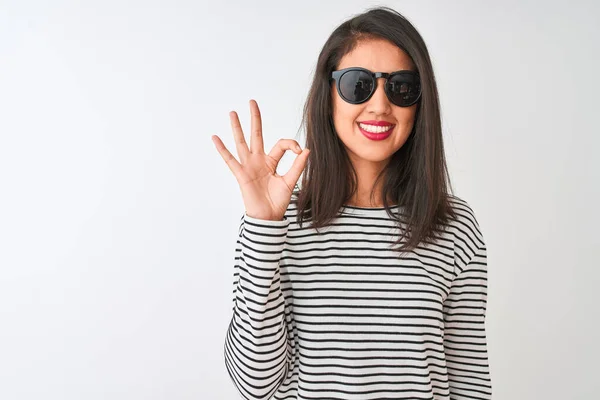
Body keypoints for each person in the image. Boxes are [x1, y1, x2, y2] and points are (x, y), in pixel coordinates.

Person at [211, 6, 492, 400]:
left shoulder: (454, 226)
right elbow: (255, 384)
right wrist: (263, 226)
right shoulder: (277, 222)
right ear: (328, 97)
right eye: (358, 84)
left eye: (401, 87)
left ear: (420, 104)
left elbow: (469, 378)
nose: (380, 105)